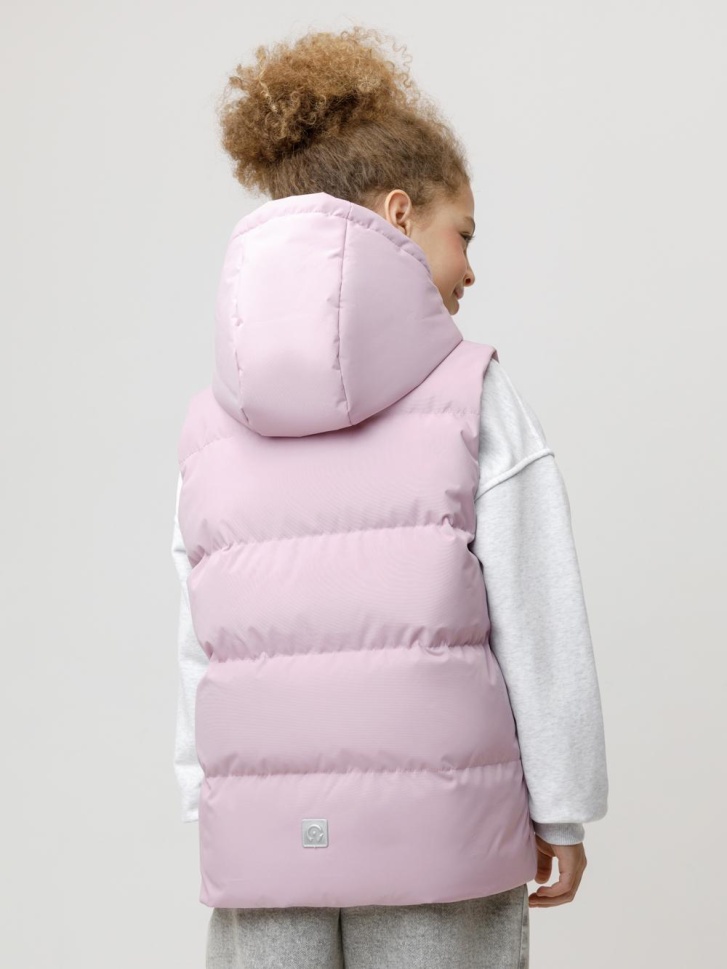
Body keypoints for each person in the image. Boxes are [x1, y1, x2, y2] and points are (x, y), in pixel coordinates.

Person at [171, 25, 608, 969]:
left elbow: (203, 641)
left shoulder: (212, 421)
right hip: (443, 845)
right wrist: (562, 805)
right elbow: (538, 614)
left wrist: (209, 798)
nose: (470, 268)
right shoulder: (474, 394)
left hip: (264, 844)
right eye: (464, 234)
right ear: (400, 214)